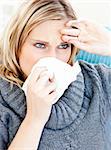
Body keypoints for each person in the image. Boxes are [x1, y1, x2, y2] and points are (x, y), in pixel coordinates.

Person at [0, 0, 111, 149]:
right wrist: (34, 119)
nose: (53, 57)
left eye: (63, 46)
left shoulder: (99, 81)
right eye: (40, 45)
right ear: (16, 45)